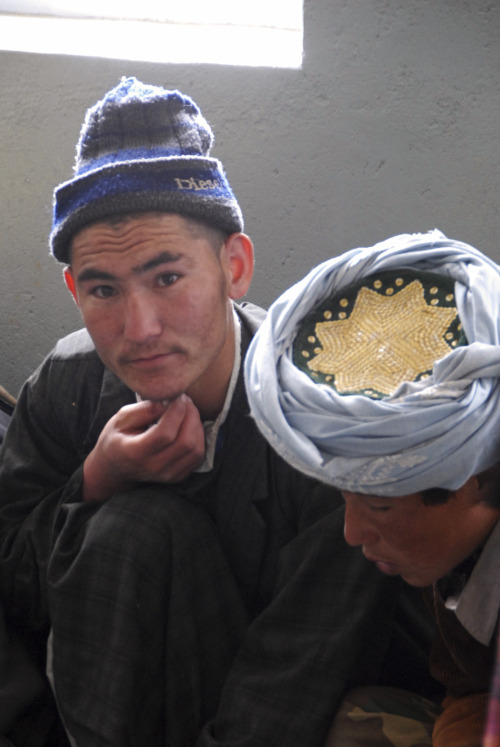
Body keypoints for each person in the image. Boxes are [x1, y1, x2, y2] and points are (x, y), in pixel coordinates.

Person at [0, 79, 438, 747]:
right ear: (73, 289)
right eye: (103, 289)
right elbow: (13, 589)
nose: (137, 326)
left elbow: (298, 664)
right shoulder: (67, 385)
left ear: (235, 267)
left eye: (167, 277)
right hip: (120, 695)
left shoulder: (324, 423)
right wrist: (92, 483)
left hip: (287, 690)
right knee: (130, 525)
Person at [244, 229, 500, 746]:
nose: (352, 533)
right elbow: (469, 690)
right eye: (346, 500)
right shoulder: (459, 564)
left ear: (473, 475)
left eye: (380, 505)